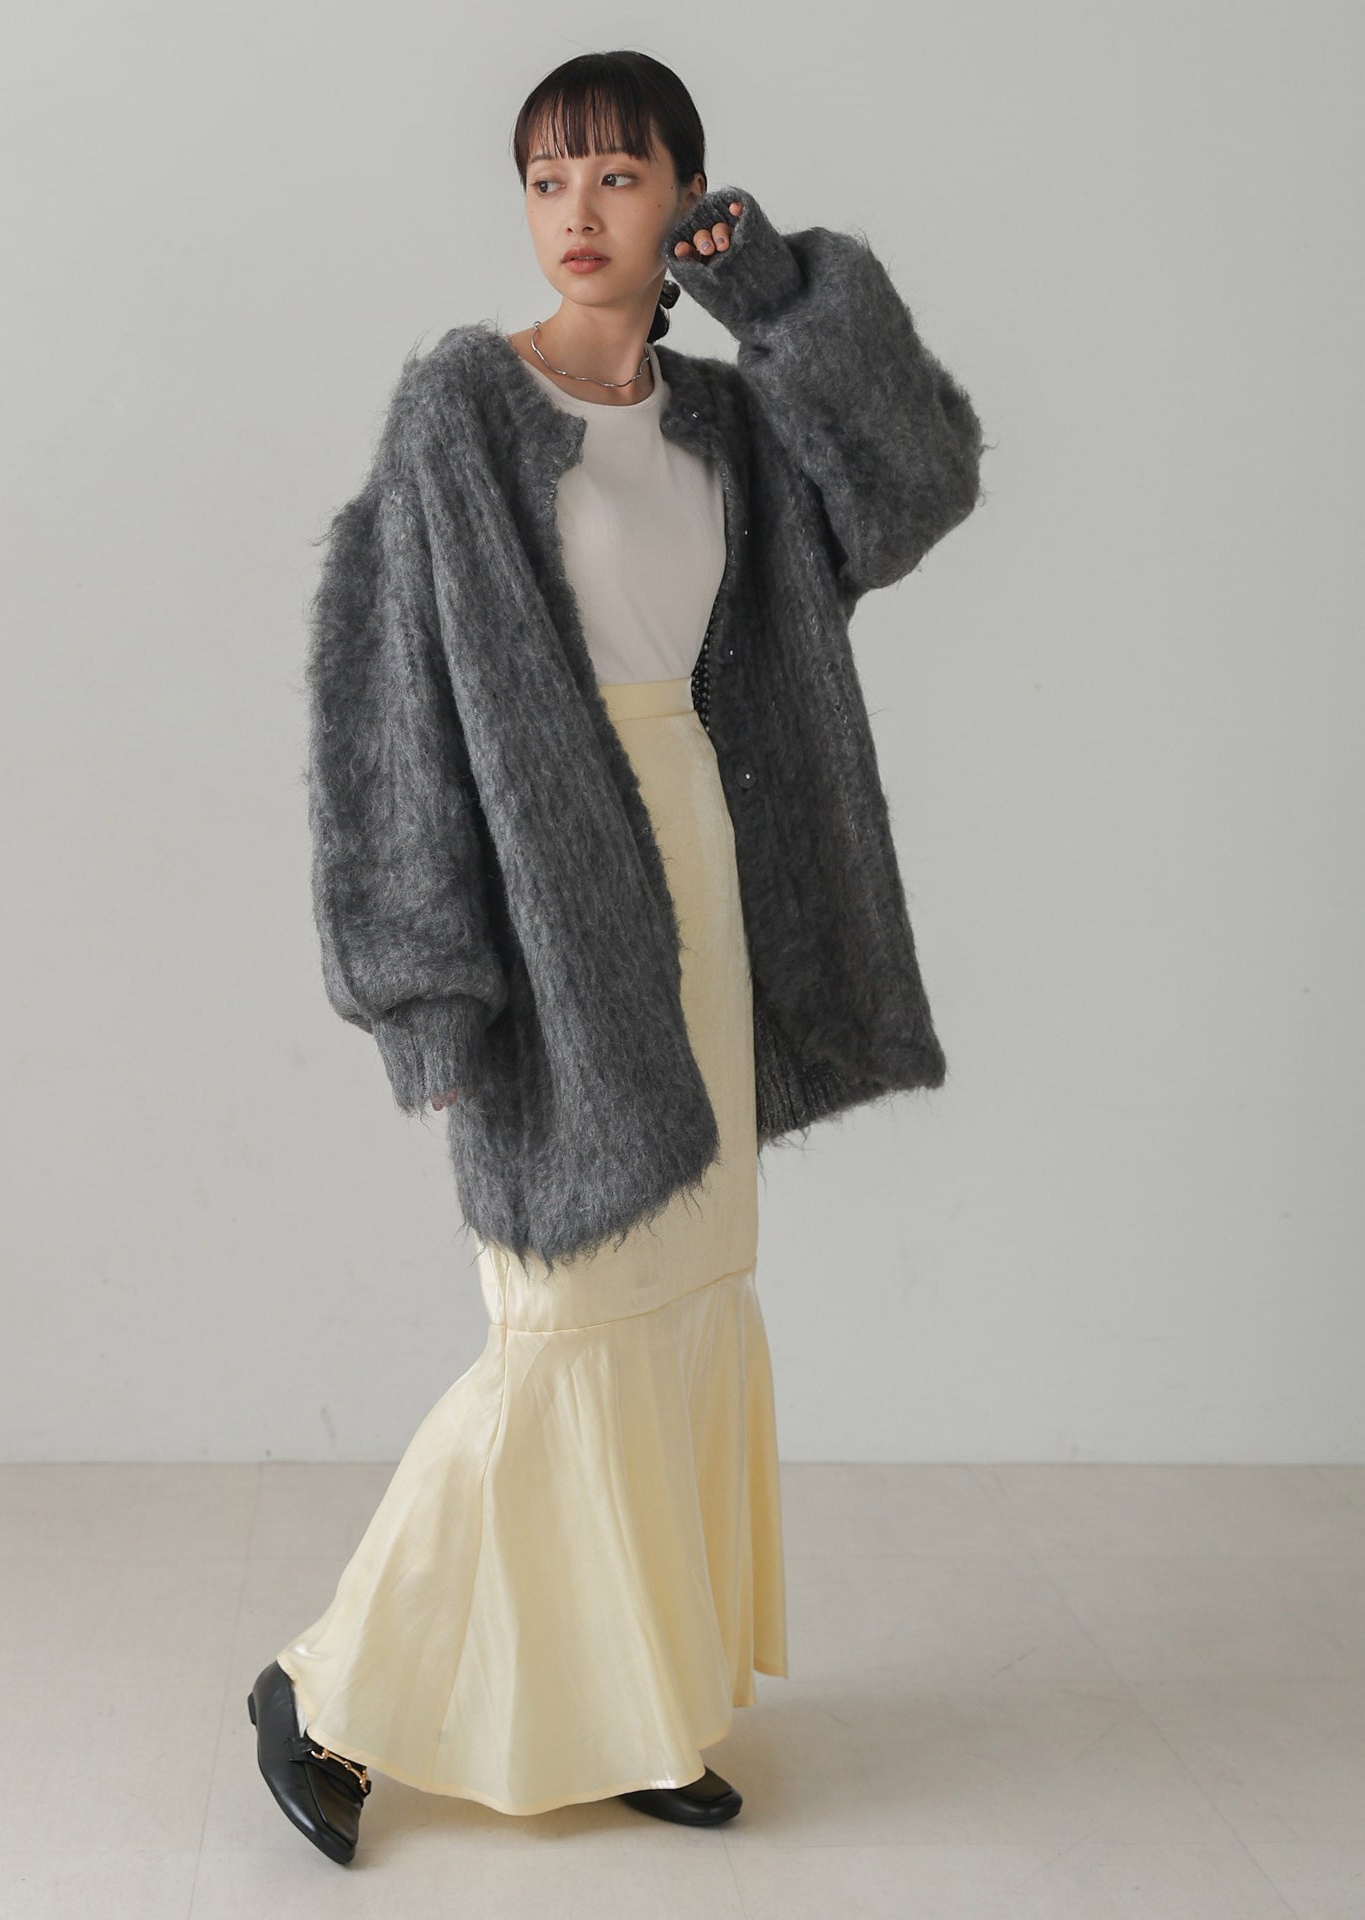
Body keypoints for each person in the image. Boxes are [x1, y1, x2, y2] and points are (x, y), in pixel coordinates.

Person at [249, 49, 985, 1867]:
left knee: (682, 1302)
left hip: (712, 875)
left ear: (686, 201)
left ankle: (639, 1708)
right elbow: (388, 706)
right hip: (547, 902)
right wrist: (428, 984)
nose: (577, 215)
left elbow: (917, 482)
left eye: (618, 177)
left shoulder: (732, 419)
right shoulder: (461, 411)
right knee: (563, 1325)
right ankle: (324, 1694)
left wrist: (785, 301)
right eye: (546, 179)